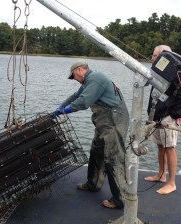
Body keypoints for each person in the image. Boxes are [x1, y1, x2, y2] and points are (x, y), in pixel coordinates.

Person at [54, 61, 129, 208]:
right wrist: (62, 105)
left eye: (74, 76)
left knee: (114, 158)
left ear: (80, 70)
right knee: (96, 151)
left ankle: (120, 199)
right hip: (104, 123)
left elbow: (83, 102)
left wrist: (65, 111)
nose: (74, 79)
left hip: (114, 121)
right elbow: (76, 95)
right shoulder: (89, 82)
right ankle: (93, 183)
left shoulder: (95, 78)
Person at [144, 45, 181, 194]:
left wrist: (172, 116)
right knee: (160, 146)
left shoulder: (178, 73)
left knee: (169, 148)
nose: (152, 59)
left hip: (168, 118)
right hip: (158, 116)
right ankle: (161, 175)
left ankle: (172, 183)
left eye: (154, 56)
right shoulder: (161, 74)